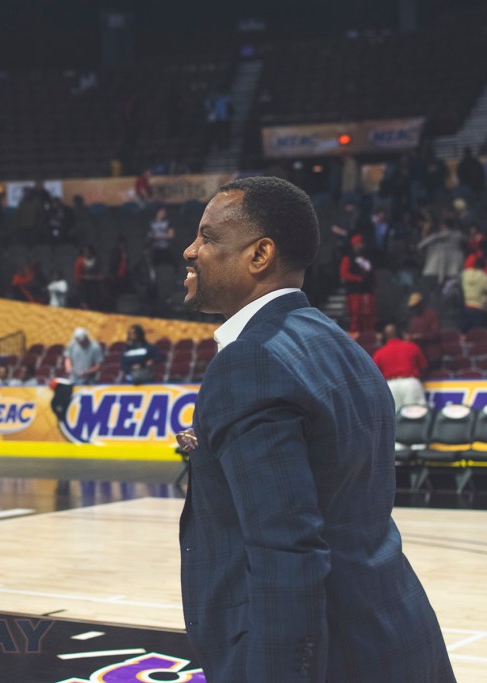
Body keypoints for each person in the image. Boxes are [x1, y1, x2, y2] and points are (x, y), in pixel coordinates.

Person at [177, 176, 454, 682]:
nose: (190, 250)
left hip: (329, 658)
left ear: (260, 255)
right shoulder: (342, 346)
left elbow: (288, 555)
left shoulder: (250, 363)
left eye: (208, 237)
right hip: (397, 634)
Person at [373, 323, 428, 413]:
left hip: (390, 386)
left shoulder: (379, 353)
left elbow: (374, 376)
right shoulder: (412, 346)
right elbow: (424, 366)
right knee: (415, 416)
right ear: (400, 334)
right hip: (410, 383)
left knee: (394, 417)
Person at [339, 234, 376, 336]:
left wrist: (375, 283)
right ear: (354, 244)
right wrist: (357, 279)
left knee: (369, 313)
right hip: (354, 291)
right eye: (359, 243)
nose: (361, 245)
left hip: (367, 290)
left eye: (361, 243)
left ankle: (368, 334)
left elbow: (371, 272)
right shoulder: (348, 258)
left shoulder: (366, 258)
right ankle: (354, 333)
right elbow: (344, 274)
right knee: (356, 314)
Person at [461, 256, 487, 332]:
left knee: (464, 334)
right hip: (479, 310)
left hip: (466, 309)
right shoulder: (485, 277)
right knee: (478, 335)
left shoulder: (465, 274)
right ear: (484, 267)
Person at [406, 292, 442, 368]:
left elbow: (435, 334)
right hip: (419, 355)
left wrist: (420, 336)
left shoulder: (431, 314)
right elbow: (412, 333)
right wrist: (409, 337)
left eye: (416, 306)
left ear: (421, 304)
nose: (415, 309)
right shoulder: (414, 318)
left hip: (432, 355)